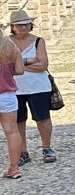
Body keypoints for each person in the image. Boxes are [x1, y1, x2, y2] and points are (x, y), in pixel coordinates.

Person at [9, 10, 55, 165]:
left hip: (38, 87)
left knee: (42, 118)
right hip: (14, 88)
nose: (24, 27)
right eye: (20, 25)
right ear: (13, 26)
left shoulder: (38, 41)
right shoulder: (6, 42)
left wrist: (18, 65)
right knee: (19, 121)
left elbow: (42, 64)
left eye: (26, 24)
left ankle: (46, 148)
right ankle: (23, 151)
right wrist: (29, 61)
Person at [0, 31, 26, 178]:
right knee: (12, 131)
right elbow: (20, 70)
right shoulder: (10, 47)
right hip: (7, 95)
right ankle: (14, 168)